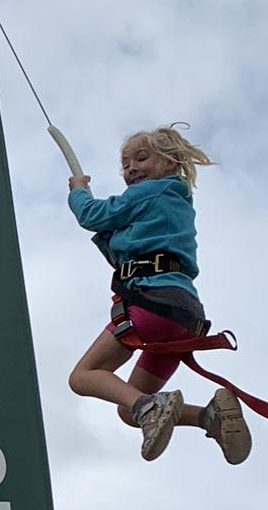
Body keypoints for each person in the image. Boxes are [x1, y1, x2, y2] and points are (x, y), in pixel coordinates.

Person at [64, 125, 252, 465]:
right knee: (128, 408)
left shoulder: (150, 192)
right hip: (185, 317)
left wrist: (79, 192)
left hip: (155, 306)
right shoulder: (171, 204)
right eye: (125, 163)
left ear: (171, 162)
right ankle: (210, 417)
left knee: (83, 377)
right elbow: (122, 243)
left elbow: (93, 216)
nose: (132, 167)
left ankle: (151, 407)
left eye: (142, 157)